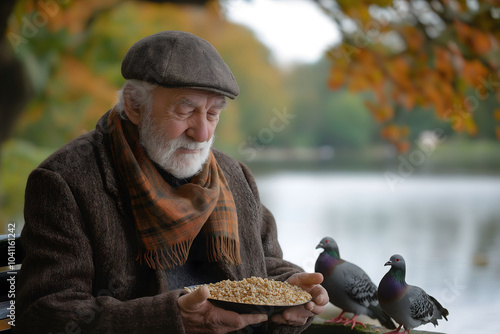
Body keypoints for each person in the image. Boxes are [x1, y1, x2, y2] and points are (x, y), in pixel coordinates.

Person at [16, 31, 328, 334]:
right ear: (135, 106)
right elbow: (47, 313)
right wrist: (169, 320)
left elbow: (265, 267)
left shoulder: (235, 176)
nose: (202, 133)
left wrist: (294, 295)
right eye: (186, 109)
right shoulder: (65, 181)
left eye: (213, 113)